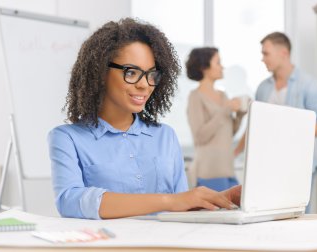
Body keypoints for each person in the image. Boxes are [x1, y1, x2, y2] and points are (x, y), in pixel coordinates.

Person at [48, 18, 240, 220]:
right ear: (100, 72)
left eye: (151, 75)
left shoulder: (165, 136)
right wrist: (170, 201)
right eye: (131, 72)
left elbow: (181, 210)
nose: (145, 85)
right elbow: (69, 201)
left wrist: (219, 200)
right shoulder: (67, 138)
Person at [234, 32, 317, 212]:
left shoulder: (309, 85)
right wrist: (234, 153)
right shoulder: (263, 88)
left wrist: (286, 127)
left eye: (266, 53)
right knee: (265, 217)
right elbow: (254, 126)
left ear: (283, 53)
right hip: (266, 165)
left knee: (297, 219)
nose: (262, 59)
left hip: (298, 166)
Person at [185, 47, 247, 192]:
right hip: (209, 173)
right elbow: (200, 136)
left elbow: (229, 132)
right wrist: (225, 110)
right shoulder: (195, 97)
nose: (222, 67)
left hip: (228, 171)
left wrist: (239, 115)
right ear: (204, 67)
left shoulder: (223, 95)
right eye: (218, 62)